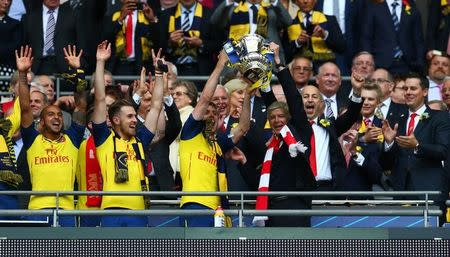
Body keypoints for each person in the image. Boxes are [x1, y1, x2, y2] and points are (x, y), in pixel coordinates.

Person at [262, 42, 364, 193]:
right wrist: (278, 63)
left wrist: (356, 91)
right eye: (305, 97)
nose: (309, 100)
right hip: (300, 190)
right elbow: (290, 95)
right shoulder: (293, 126)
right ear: (299, 103)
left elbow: (350, 117)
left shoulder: (331, 126)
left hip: (329, 189)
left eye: (314, 97)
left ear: (322, 104)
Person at [91, 41, 164, 227]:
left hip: (139, 212)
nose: (134, 120)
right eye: (129, 116)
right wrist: (100, 62)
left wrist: (159, 74)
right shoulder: (103, 139)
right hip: (110, 212)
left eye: (134, 116)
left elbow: (156, 107)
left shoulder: (140, 141)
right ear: (115, 120)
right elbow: (99, 99)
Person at [16, 45, 87, 227]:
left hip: (67, 211)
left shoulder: (72, 139)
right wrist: (23, 75)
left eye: (59, 115)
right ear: (40, 122)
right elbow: (25, 107)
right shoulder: (33, 140)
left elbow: (80, 107)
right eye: (50, 114)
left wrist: (77, 72)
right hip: (38, 210)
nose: (57, 117)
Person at [178, 51, 251, 227]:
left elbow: (242, 128)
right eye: (206, 113)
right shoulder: (190, 133)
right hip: (195, 206)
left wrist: (248, 94)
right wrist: (220, 65)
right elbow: (204, 99)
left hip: (219, 210)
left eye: (214, 113)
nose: (210, 116)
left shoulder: (217, 143)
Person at [382, 73, 450, 220]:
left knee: (432, 238)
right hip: (402, 191)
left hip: (429, 189)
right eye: (405, 88)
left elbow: (443, 151)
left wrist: (418, 145)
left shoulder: (439, 117)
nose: (408, 92)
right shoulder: (395, 119)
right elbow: (386, 163)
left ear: (424, 92)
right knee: (401, 238)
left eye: (413, 88)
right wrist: (388, 143)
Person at [210, 0, 292, 62]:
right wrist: (229, 1)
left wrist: (275, 1)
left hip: (268, 57)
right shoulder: (235, 8)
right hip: (238, 57)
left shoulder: (271, 8)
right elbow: (214, 21)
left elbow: (288, 21)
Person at [21, 0, 87, 75]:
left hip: (67, 68)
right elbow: (24, 46)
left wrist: (80, 65)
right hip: (36, 68)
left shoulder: (73, 15)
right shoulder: (29, 17)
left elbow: (82, 44)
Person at [339, 83, 384, 195]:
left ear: (378, 102)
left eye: (370, 99)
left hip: (363, 190)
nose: (366, 102)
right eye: (363, 99)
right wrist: (363, 139)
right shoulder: (336, 135)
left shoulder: (385, 125)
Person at [360, 0, 425, 75]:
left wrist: (419, 62)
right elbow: (366, 37)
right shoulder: (373, 7)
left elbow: (418, 39)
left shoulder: (412, 8)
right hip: (380, 63)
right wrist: (368, 61)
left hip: (407, 64)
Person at [160, 0, 218, 81]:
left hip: (201, 70)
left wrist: (201, 44)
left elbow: (218, 44)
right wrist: (170, 42)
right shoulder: (165, 15)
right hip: (173, 69)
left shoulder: (211, 14)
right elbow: (157, 44)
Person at [103, 0, 158, 77]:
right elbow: (106, 38)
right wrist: (120, 19)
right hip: (120, 64)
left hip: (141, 64)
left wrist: (152, 20)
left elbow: (157, 40)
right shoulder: (113, 16)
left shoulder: (146, 15)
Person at [286, 0, 346, 66]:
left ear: (315, 1)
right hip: (302, 69)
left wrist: (325, 35)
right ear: (296, 2)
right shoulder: (290, 24)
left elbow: (341, 47)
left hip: (325, 69)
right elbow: (285, 56)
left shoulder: (330, 20)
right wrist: (297, 42)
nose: (305, 1)